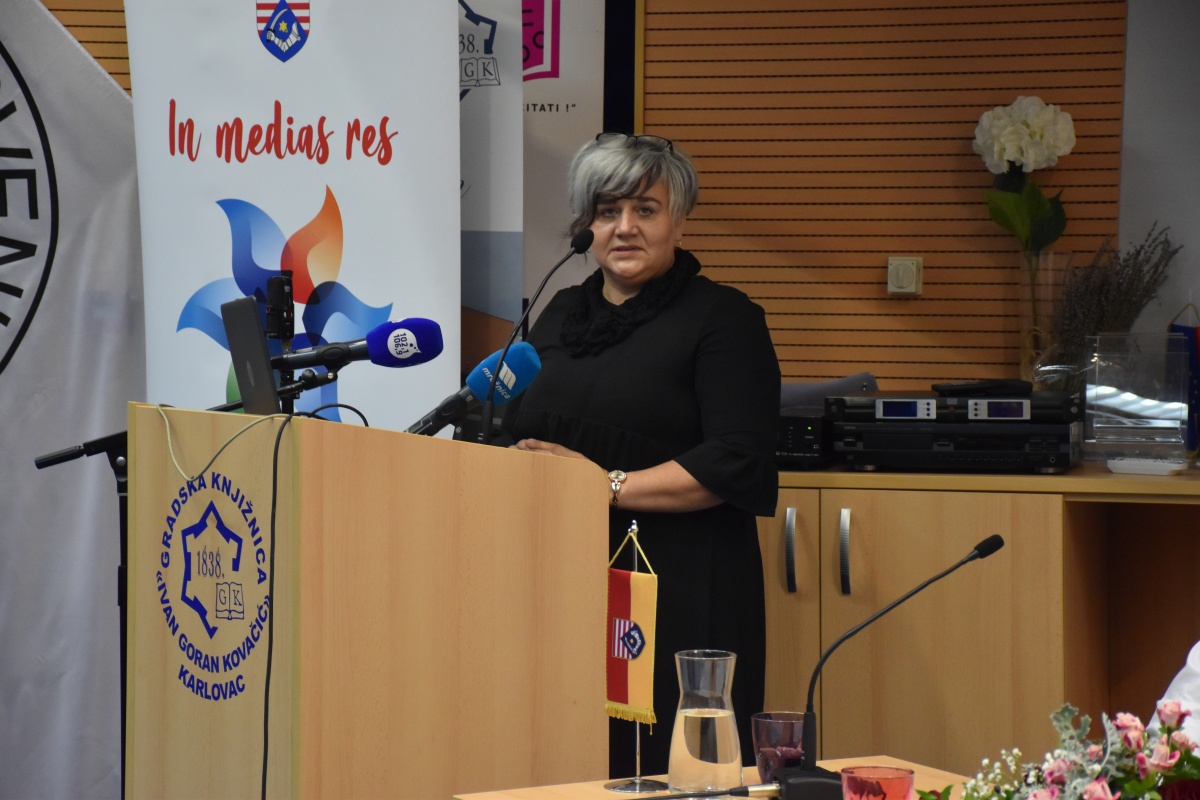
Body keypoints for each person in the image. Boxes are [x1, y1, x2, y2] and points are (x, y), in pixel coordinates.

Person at [504, 132, 781, 779]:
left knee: (663, 766)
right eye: (607, 211)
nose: (624, 227)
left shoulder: (724, 318)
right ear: (586, 227)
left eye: (645, 209)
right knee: (564, 750)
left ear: (679, 221)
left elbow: (735, 459)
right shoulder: (560, 313)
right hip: (559, 579)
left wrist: (603, 486)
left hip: (679, 585)